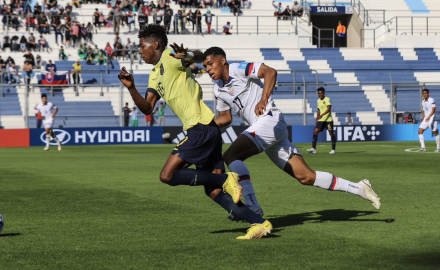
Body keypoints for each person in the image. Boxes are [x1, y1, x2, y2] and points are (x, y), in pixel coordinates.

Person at [201, 46, 382, 222]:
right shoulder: (218, 89)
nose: (208, 69)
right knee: (306, 177)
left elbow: (270, 72)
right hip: (266, 130)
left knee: (232, 155)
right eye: (205, 67)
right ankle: (359, 188)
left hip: (270, 119)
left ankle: (253, 206)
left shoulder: (238, 69)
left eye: (210, 64)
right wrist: (203, 128)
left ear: (222, 60)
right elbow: (225, 118)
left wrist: (264, 99)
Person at [117, 24, 264, 240]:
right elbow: (148, 108)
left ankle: (226, 179)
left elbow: (199, 56)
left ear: (155, 45)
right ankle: (259, 222)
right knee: (212, 191)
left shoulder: (169, 55)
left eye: (142, 45)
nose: (139, 50)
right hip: (207, 129)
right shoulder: (154, 75)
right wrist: (131, 88)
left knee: (167, 175)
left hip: (200, 128)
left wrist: (188, 55)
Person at [307, 87, 337, 154]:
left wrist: (322, 115)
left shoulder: (327, 99)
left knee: (331, 133)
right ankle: (314, 148)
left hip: (328, 120)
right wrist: (317, 119)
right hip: (321, 120)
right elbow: (318, 110)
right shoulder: (318, 101)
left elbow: (329, 109)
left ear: (324, 93)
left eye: (321, 93)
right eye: (318, 93)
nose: (320, 94)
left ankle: (333, 149)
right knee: (315, 131)